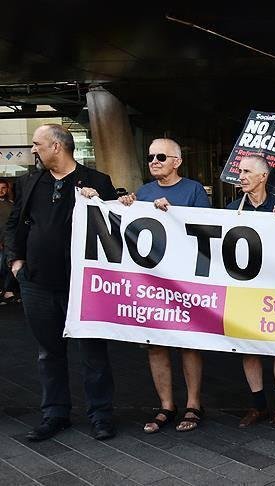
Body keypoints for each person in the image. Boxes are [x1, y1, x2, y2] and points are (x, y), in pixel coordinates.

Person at [7, 124, 117, 441]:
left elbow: (116, 226)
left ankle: (101, 416)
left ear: (57, 146)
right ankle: (55, 414)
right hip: (37, 283)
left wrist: (102, 201)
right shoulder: (29, 181)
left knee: (93, 353)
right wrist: (15, 262)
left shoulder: (97, 181)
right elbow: (15, 224)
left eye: (37, 144)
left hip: (83, 286)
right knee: (48, 353)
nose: (33, 150)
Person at [118, 138, 210, 433]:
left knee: (188, 342)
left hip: (184, 279)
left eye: (160, 156)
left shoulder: (194, 190)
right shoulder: (144, 192)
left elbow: (205, 229)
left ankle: (193, 404)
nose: (154, 161)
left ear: (177, 162)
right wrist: (126, 207)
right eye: (150, 157)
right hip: (153, 280)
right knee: (155, 343)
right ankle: (166, 405)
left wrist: (173, 213)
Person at [225, 155, 275, 428]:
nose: (240, 176)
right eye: (240, 171)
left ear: (263, 176)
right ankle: (258, 405)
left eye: (246, 172)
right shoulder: (232, 210)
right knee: (249, 347)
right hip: (245, 290)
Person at [0, 179, 17, 303]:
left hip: (9, 242)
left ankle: (7, 291)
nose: (1, 191)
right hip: (2, 241)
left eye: (3, 188)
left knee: (9, 266)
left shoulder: (12, 204)